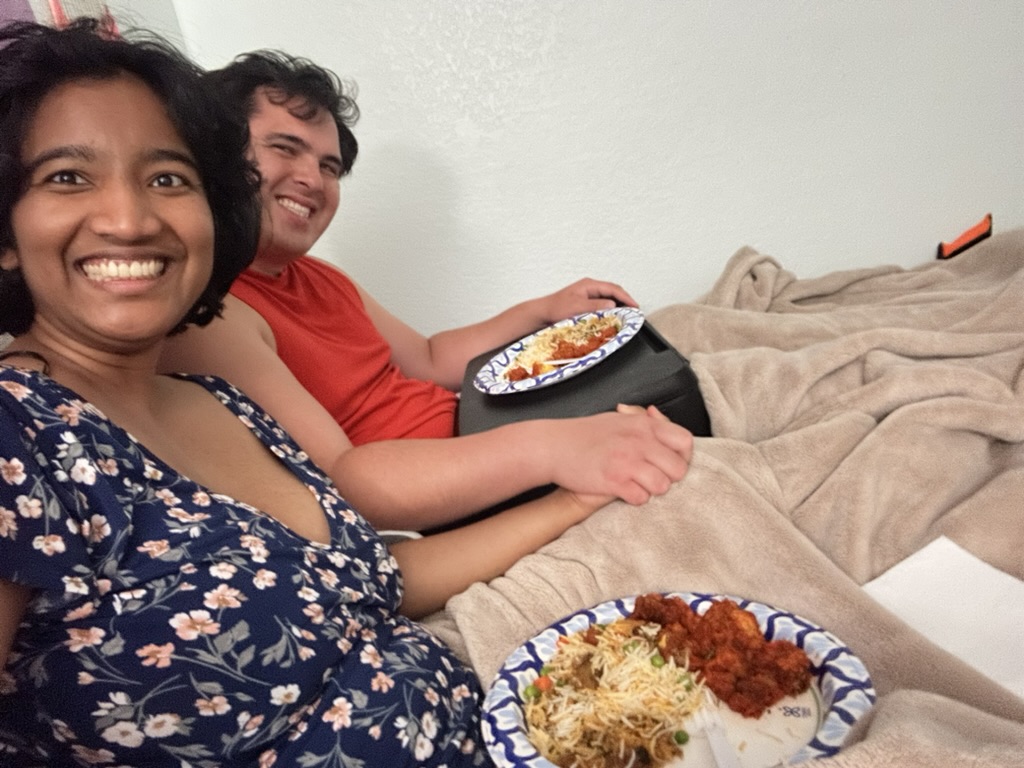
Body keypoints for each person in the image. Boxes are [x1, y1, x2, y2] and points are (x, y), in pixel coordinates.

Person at [0, 20, 693, 765]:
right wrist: (554, 453)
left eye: (168, 178)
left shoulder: (214, 399)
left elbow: (375, 579)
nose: (130, 219)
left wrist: (577, 496)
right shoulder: (20, 431)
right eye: (67, 176)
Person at [159, 50, 696, 532]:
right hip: (446, 496)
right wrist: (548, 448)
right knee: (683, 441)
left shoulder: (322, 277)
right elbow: (346, 482)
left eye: (329, 167)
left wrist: (543, 309)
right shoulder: (214, 315)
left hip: (482, 433)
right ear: (216, 157)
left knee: (671, 365)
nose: (314, 180)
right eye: (285, 149)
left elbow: (431, 357)